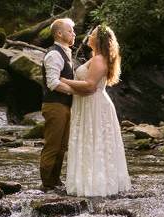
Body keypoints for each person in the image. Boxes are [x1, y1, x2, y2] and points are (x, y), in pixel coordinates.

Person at [55, 24, 130, 197]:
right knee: (94, 142)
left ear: (98, 39)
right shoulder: (97, 57)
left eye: (92, 34)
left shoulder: (98, 59)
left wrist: (63, 81)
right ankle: (92, 183)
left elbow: (89, 86)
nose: (89, 36)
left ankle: (94, 185)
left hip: (93, 104)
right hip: (91, 103)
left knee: (93, 141)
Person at [39, 18, 83, 193]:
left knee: (62, 146)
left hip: (64, 105)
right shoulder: (54, 54)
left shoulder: (65, 53)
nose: (74, 34)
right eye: (70, 31)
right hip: (54, 106)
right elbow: (52, 83)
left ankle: (55, 181)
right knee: (53, 145)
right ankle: (47, 184)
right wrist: (77, 91)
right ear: (59, 33)